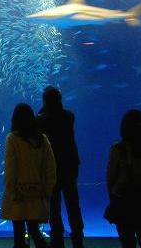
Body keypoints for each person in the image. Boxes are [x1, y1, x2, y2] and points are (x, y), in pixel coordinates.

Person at [1, 103, 56, 248]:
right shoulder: (42, 139)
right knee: (35, 232)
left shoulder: (12, 139)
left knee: (19, 236)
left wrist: (11, 192)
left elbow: (10, 168)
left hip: (18, 194)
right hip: (37, 193)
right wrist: (47, 190)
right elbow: (50, 167)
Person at [36, 86, 84, 248]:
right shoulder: (69, 116)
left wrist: (44, 107)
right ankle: (78, 239)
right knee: (73, 205)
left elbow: (40, 118)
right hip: (70, 166)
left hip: (51, 168)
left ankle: (57, 240)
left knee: (54, 207)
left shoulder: (40, 120)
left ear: (45, 101)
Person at [105, 109, 141, 248]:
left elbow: (111, 178)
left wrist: (113, 199)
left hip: (123, 201)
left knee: (127, 242)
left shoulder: (118, 149)